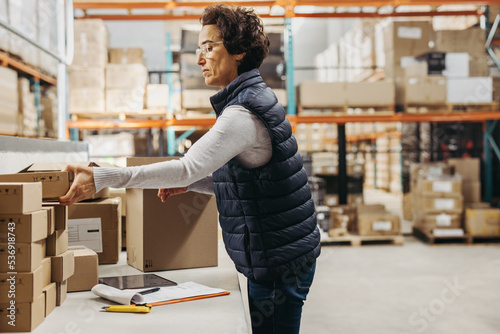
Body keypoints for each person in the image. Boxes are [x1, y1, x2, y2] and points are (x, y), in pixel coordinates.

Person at [60, 5, 320, 333]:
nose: (200, 58)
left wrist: (102, 177)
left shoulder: (242, 114)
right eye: (199, 48)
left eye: (209, 47)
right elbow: (250, 179)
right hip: (282, 253)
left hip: (281, 259)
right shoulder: (252, 100)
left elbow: (185, 168)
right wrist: (194, 185)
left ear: (239, 51)